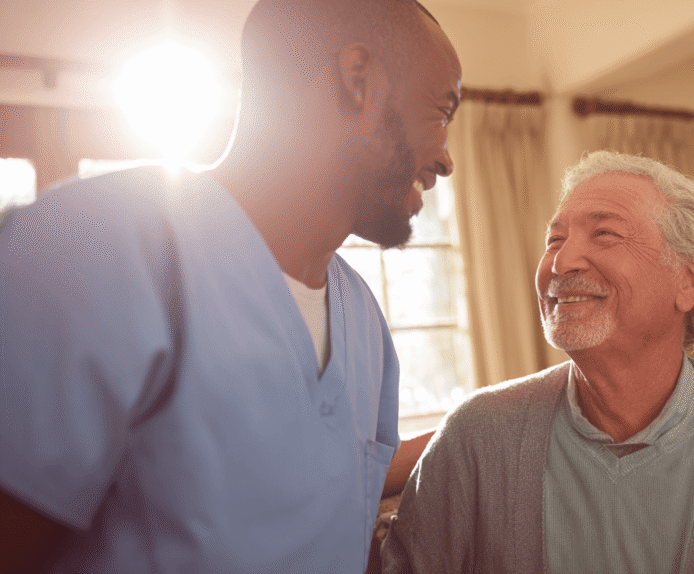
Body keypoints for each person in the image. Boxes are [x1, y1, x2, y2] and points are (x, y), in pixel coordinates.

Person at [0, 0, 461, 571]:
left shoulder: (365, 322)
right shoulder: (92, 248)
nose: (446, 160)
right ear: (358, 79)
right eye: (442, 113)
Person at [380, 151, 694, 573]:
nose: (562, 262)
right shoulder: (475, 437)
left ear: (690, 279)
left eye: (605, 234)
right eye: (555, 240)